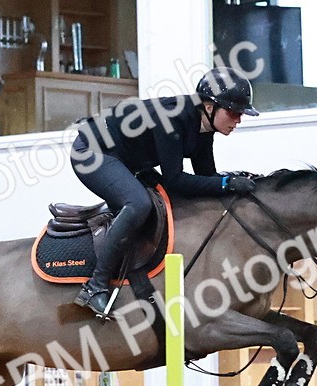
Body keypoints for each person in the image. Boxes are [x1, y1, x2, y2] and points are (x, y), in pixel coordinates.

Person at [70, 67, 259, 319]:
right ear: (209, 106)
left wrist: (237, 181)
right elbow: (175, 180)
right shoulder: (172, 118)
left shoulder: (204, 128)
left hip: (126, 157)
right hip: (92, 152)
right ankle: (95, 286)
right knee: (138, 204)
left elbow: (206, 179)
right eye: (233, 112)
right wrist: (227, 184)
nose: (238, 120)